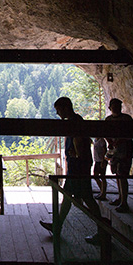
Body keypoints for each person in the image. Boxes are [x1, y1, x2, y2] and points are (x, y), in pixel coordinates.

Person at [39, 97, 106, 245]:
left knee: (87, 199)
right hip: (78, 168)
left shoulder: (74, 123)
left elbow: (79, 147)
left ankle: (103, 231)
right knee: (68, 197)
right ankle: (57, 226)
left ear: (65, 108)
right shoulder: (75, 121)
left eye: (58, 110)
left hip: (78, 169)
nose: (57, 113)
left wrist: (75, 155)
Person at [105, 98, 133, 213]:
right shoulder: (110, 120)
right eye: (114, 106)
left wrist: (118, 141)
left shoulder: (126, 119)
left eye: (118, 106)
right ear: (110, 108)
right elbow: (104, 132)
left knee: (122, 176)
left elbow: (130, 134)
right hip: (116, 151)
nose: (117, 108)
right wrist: (110, 142)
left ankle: (124, 202)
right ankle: (121, 197)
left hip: (125, 152)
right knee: (118, 175)